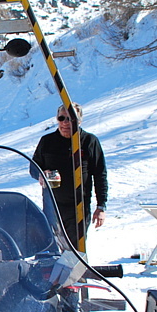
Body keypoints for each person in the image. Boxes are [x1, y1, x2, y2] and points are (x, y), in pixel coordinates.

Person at [31, 103, 108, 249]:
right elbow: (33, 167)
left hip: (78, 208)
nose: (65, 123)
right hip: (52, 207)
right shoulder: (47, 141)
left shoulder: (89, 141)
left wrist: (101, 207)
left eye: (70, 118)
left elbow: (100, 175)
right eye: (61, 118)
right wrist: (41, 175)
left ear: (79, 121)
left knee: (75, 252)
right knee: (50, 250)